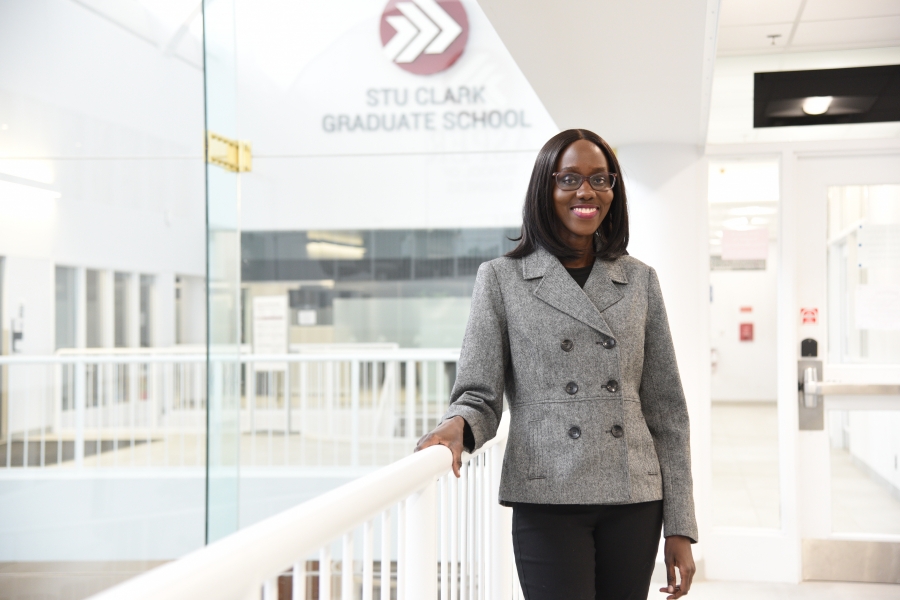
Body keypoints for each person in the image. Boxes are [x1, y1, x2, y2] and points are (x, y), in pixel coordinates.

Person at [415, 129, 698, 600]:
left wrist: (681, 526)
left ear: (613, 192)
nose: (586, 192)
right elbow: (479, 393)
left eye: (600, 180)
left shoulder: (640, 280)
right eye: (569, 178)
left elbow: (667, 412)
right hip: (547, 490)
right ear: (545, 190)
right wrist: (458, 426)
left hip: (634, 494)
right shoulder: (502, 279)